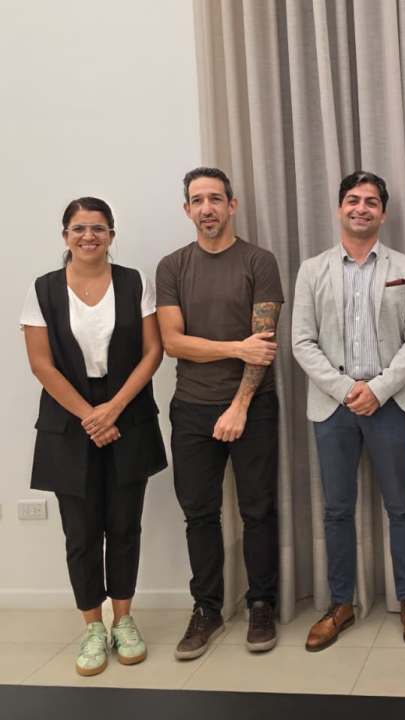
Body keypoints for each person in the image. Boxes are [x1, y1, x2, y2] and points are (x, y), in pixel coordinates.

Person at [21, 197, 167, 676]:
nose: (89, 236)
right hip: (69, 418)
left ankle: (123, 621)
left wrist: (113, 408)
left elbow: (152, 351)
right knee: (81, 532)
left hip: (128, 411)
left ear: (111, 235)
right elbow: (41, 363)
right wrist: (91, 415)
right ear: (65, 235)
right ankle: (92, 627)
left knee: (124, 524)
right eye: (80, 228)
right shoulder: (43, 289)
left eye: (99, 228)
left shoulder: (134, 282)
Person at [292, 171, 405, 651]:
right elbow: (301, 341)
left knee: (401, 507)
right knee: (336, 510)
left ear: (383, 213)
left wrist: (378, 389)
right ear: (339, 209)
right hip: (333, 406)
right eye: (353, 200)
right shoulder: (312, 269)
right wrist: (345, 389)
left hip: (390, 402)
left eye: (371, 201)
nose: (361, 208)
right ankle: (340, 604)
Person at [156, 167, 284, 659]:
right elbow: (173, 342)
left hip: (253, 407)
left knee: (258, 511)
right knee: (199, 515)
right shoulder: (172, 267)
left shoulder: (259, 261)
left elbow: (264, 345)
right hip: (190, 408)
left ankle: (261, 605)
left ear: (232, 205)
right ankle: (206, 609)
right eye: (197, 200)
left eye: (215, 198)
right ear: (186, 210)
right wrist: (235, 347)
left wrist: (239, 406)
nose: (206, 208)